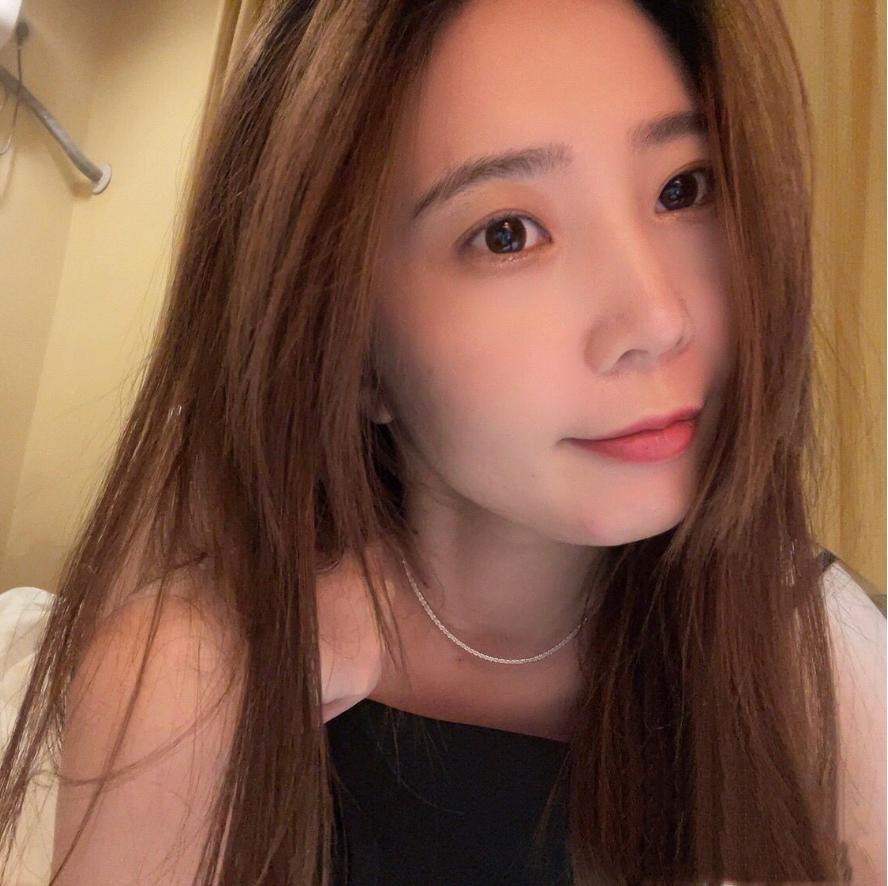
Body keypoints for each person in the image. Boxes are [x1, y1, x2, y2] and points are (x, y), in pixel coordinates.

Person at [0, 0, 884, 884]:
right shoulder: (199, 682)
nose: (657, 319)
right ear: (352, 349)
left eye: (682, 189)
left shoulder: (817, 655)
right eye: (508, 234)